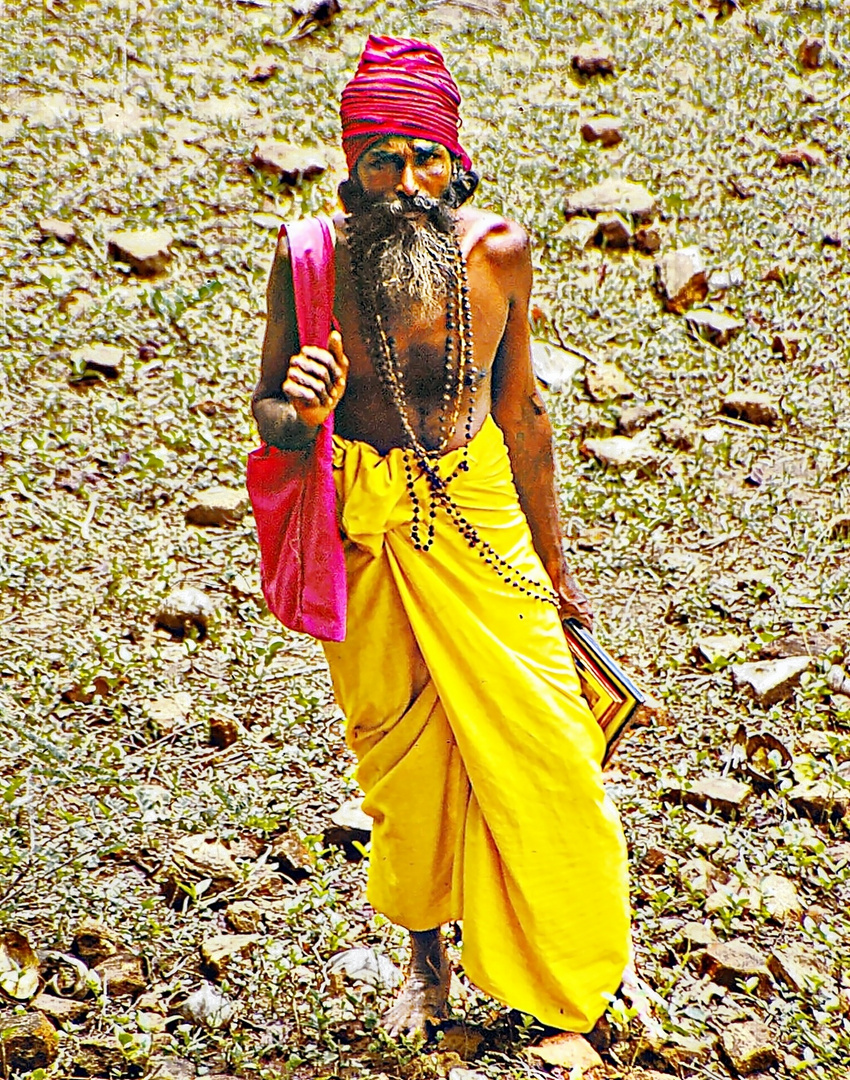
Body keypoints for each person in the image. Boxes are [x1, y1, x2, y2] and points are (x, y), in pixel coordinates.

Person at [253, 35, 631, 1038]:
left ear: (457, 162)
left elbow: (524, 417)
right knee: (403, 768)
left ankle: (577, 967)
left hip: (481, 521)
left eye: (423, 157)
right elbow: (272, 420)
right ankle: (427, 969)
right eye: (381, 157)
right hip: (368, 528)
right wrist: (299, 409)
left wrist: (554, 568)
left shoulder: (498, 252)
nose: (406, 182)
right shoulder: (309, 262)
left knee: (551, 744)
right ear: (350, 168)